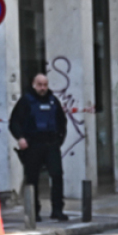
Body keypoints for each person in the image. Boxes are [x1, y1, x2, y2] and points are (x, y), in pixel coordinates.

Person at [9, 73, 69, 221]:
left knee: (57, 175)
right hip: (33, 145)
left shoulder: (53, 101)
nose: (43, 88)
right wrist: (20, 138)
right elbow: (14, 122)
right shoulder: (26, 101)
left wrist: (59, 140)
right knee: (32, 178)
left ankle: (57, 210)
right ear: (34, 85)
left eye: (45, 85)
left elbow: (62, 122)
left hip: (51, 144)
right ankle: (33, 211)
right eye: (40, 85)